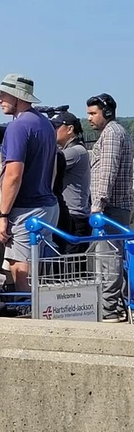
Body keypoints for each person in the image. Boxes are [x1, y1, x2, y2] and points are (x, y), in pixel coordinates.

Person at [0, 74, 59, 295]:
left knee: (22, 274)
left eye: (2, 94)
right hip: (48, 205)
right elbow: (54, 167)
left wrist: (3, 217)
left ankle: (30, 320)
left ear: (17, 97)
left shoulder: (18, 127)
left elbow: (13, 175)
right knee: (43, 275)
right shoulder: (46, 124)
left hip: (26, 210)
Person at [86, 93, 134, 322]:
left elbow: (107, 171)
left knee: (109, 262)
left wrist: (97, 206)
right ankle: (116, 306)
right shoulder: (114, 132)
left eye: (93, 113)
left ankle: (109, 310)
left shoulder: (112, 134)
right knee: (110, 260)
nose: (89, 118)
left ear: (106, 112)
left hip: (110, 209)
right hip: (113, 208)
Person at [49, 111, 91, 252]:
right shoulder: (77, 149)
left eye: (56, 127)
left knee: (70, 268)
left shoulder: (75, 152)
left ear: (69, 129)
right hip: (74, 216)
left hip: (73, 218)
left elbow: (46, 165)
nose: (52, 131)